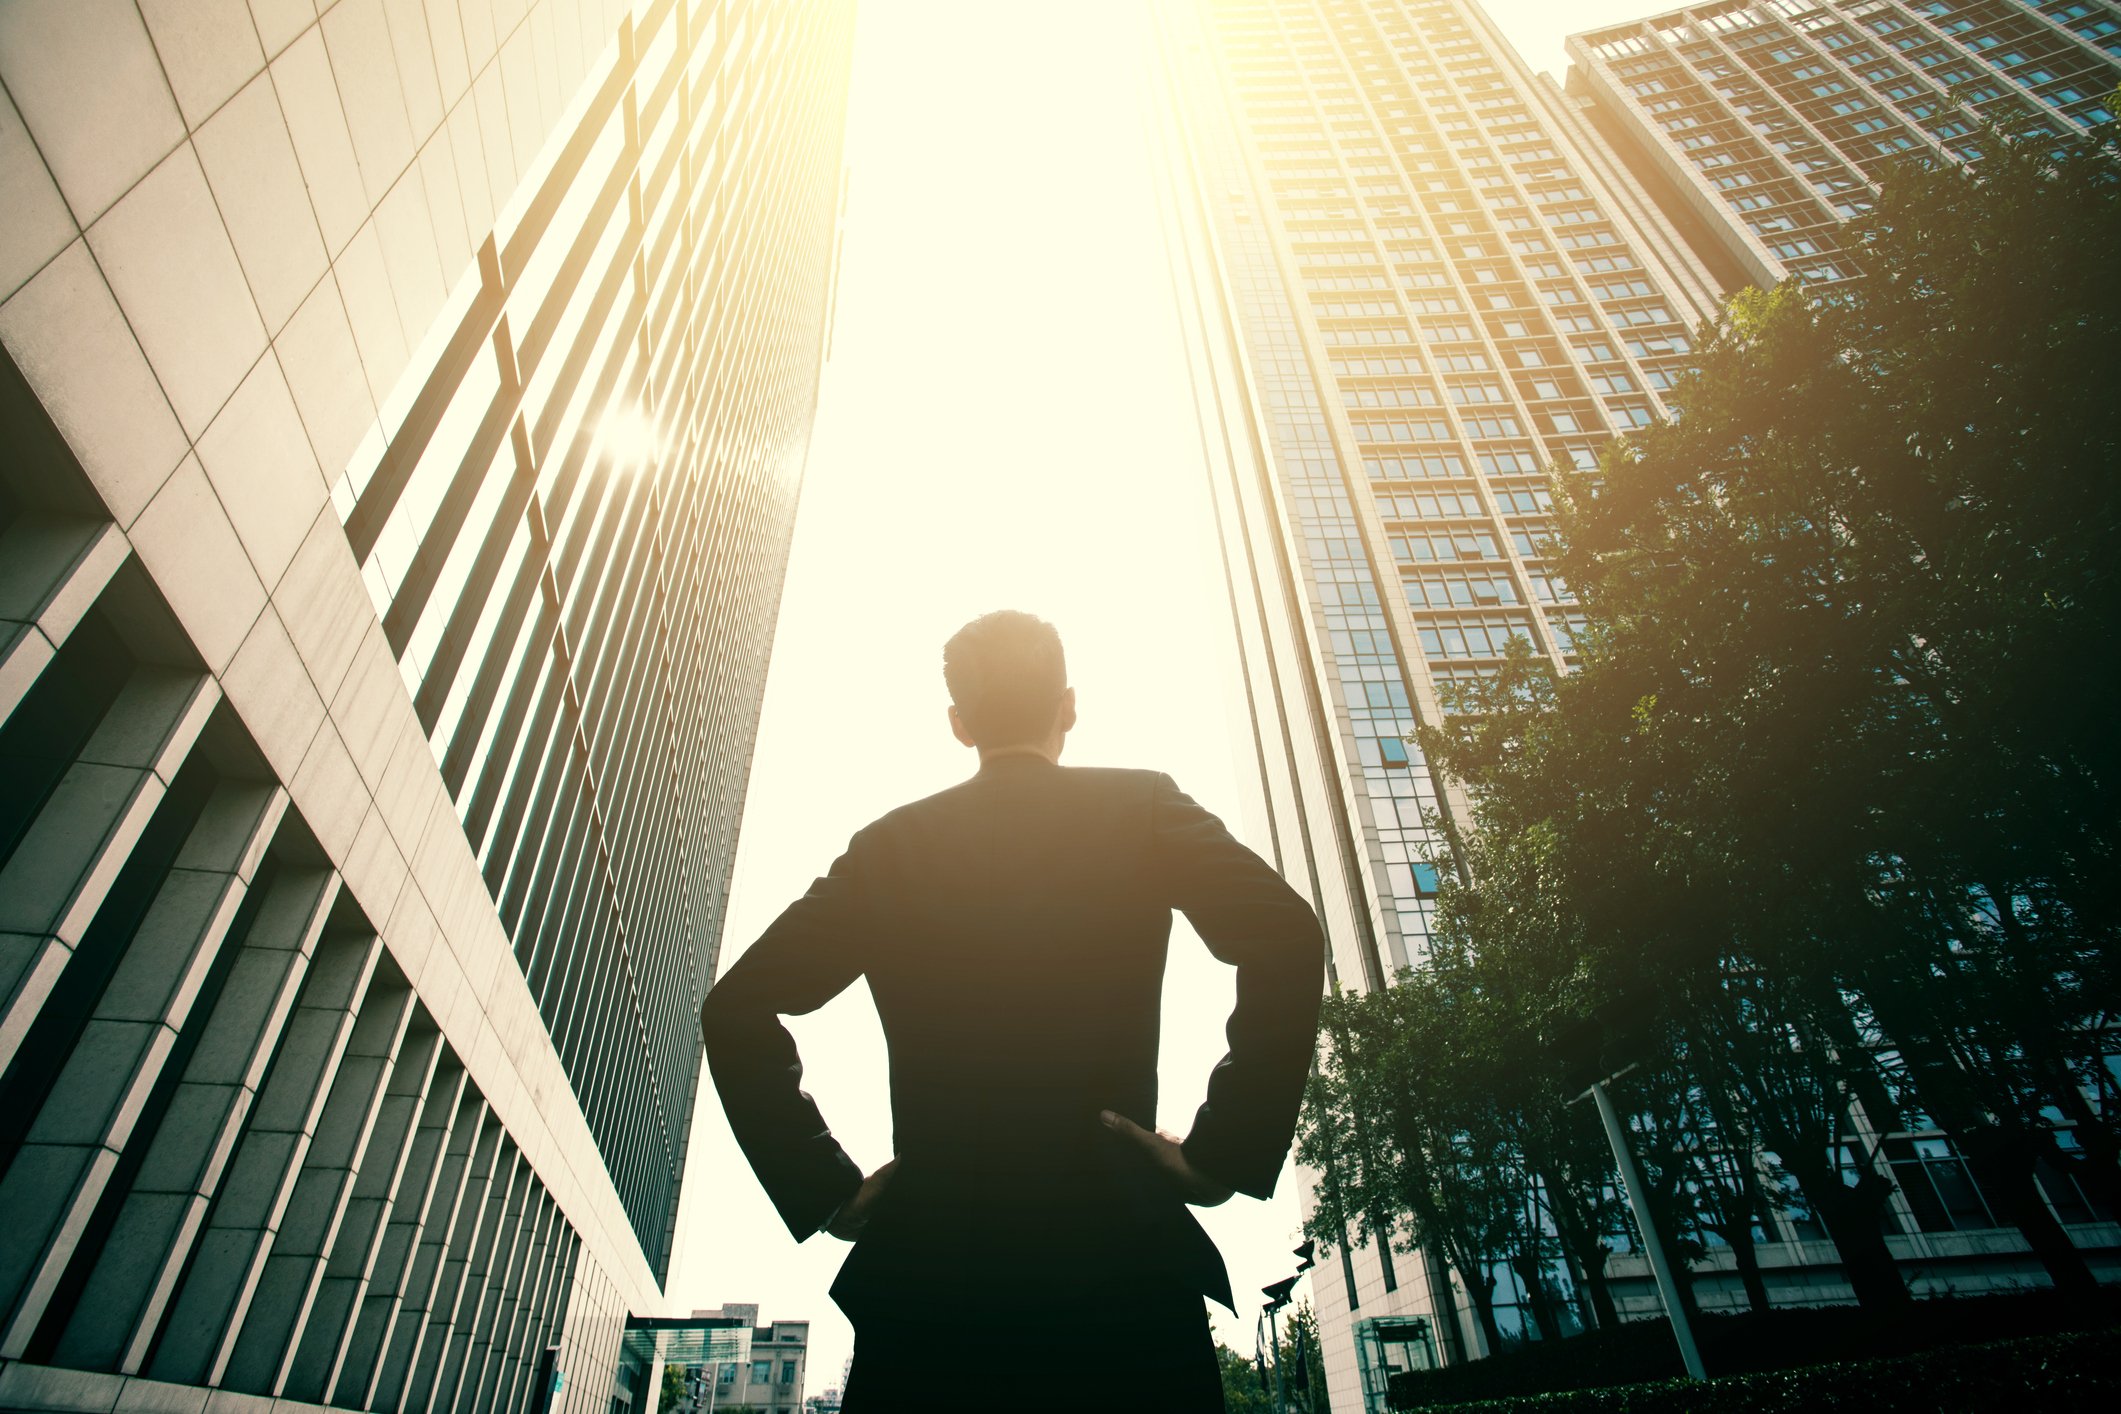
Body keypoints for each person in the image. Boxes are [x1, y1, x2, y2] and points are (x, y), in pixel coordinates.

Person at [701, 611, 1324, 1411]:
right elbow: (1285, 936)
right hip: (1120, 1265)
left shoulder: (893, 846)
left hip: (935, 1284)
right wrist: (1220, 1154)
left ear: (958, 724)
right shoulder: (1141, 809)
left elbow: (735, 1009)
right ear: (1068, 705)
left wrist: (829, 1188)